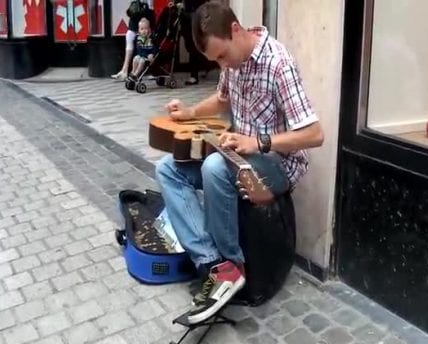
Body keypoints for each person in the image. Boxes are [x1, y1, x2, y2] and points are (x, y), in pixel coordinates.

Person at [155, 1, 324, 324]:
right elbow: (222, 100)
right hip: (238, 158)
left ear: (235, 30)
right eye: (214, 60)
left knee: (214, 168)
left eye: (221, 56)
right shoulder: (232, 64)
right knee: (168, 168)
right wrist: (189, 113)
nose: (222, 65)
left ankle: (233, 264)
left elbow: (315, 134)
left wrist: (257, 142)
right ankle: (213, 264)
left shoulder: (278, 63)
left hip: (278, 163)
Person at [112, 0, 155, 81]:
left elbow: (150, 7)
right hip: (137, 15)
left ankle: (136, 73)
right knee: (130, 36)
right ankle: (126, 71)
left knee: (145, 40)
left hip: (146, 14)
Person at [175, 0, 209, 85]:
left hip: (194, 17)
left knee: (194, 47)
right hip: (186, 18)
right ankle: (204, 66)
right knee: (191, 46)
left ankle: (194, 75)